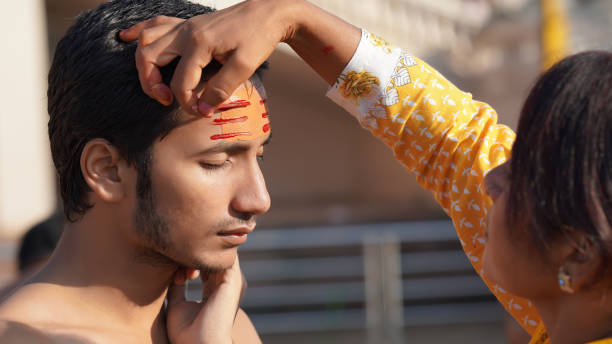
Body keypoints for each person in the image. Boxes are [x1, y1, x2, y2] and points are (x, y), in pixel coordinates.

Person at [121, 0, 612, 343]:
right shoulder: (585, 305)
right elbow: (448, 138)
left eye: (524, 174)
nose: (490, 177)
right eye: (216, 160)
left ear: (579, 253)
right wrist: (292, 17)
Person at [0, 0, 270, 343]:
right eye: (216, 162)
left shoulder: (220, 327)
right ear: (107, 169)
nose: (258, 199)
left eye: (258, 156)